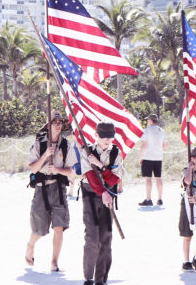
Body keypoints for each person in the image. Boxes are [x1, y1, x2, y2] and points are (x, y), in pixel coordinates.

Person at [24, 113, 77, 273]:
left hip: (59, 189)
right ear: (48, 126)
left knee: (59, 226)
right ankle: (30, 245)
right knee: (39, 228)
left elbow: (71, 171)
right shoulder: (39, 144)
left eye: (60, 122)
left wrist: (58, 169)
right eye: (54, 122)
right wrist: (45, 156)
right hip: (42, 188)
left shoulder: (66, 145)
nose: (57, 124)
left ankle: (54, 262)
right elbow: (33, 168)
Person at [80, 122, 122, 285]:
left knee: (106, 238)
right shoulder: (87, 151)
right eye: (104, 136)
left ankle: (101, 279)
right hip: (90, 195)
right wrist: (103, 190)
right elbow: (90, 176)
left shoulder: (116, 152)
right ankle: (89, 277)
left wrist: (101, 166)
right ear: (96, 135)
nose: (107, 140)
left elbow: (115, 179)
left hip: (108, 196)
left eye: (110, 136)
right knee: (92, 237)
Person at [138, 114, 168, 207]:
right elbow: (165, 146)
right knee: (158, 177)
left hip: (148, 157)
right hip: (158, 157)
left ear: (151, 120)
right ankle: (160, 199)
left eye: (148, 120)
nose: (147, 121)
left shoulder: (146, 131)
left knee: (148, 178)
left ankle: (148, 199)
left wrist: (141, 157)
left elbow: (143, 145)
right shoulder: (162, 131)